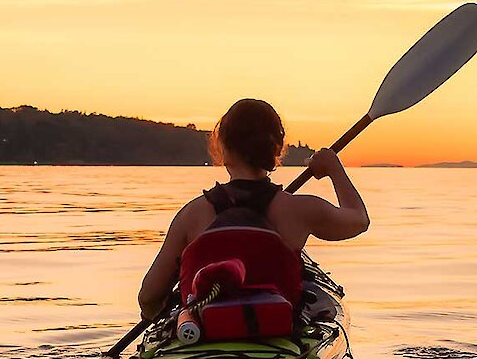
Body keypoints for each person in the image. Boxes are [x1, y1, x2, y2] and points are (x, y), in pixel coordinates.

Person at [137, 98, 369, 324]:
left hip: (199, 334)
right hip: (276, 335)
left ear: (223, 147)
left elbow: (148, 297)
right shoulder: (299, 210)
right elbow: (359, 220)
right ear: (276, 149)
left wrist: (160, 312)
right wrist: (334, 168)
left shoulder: (192, 215)